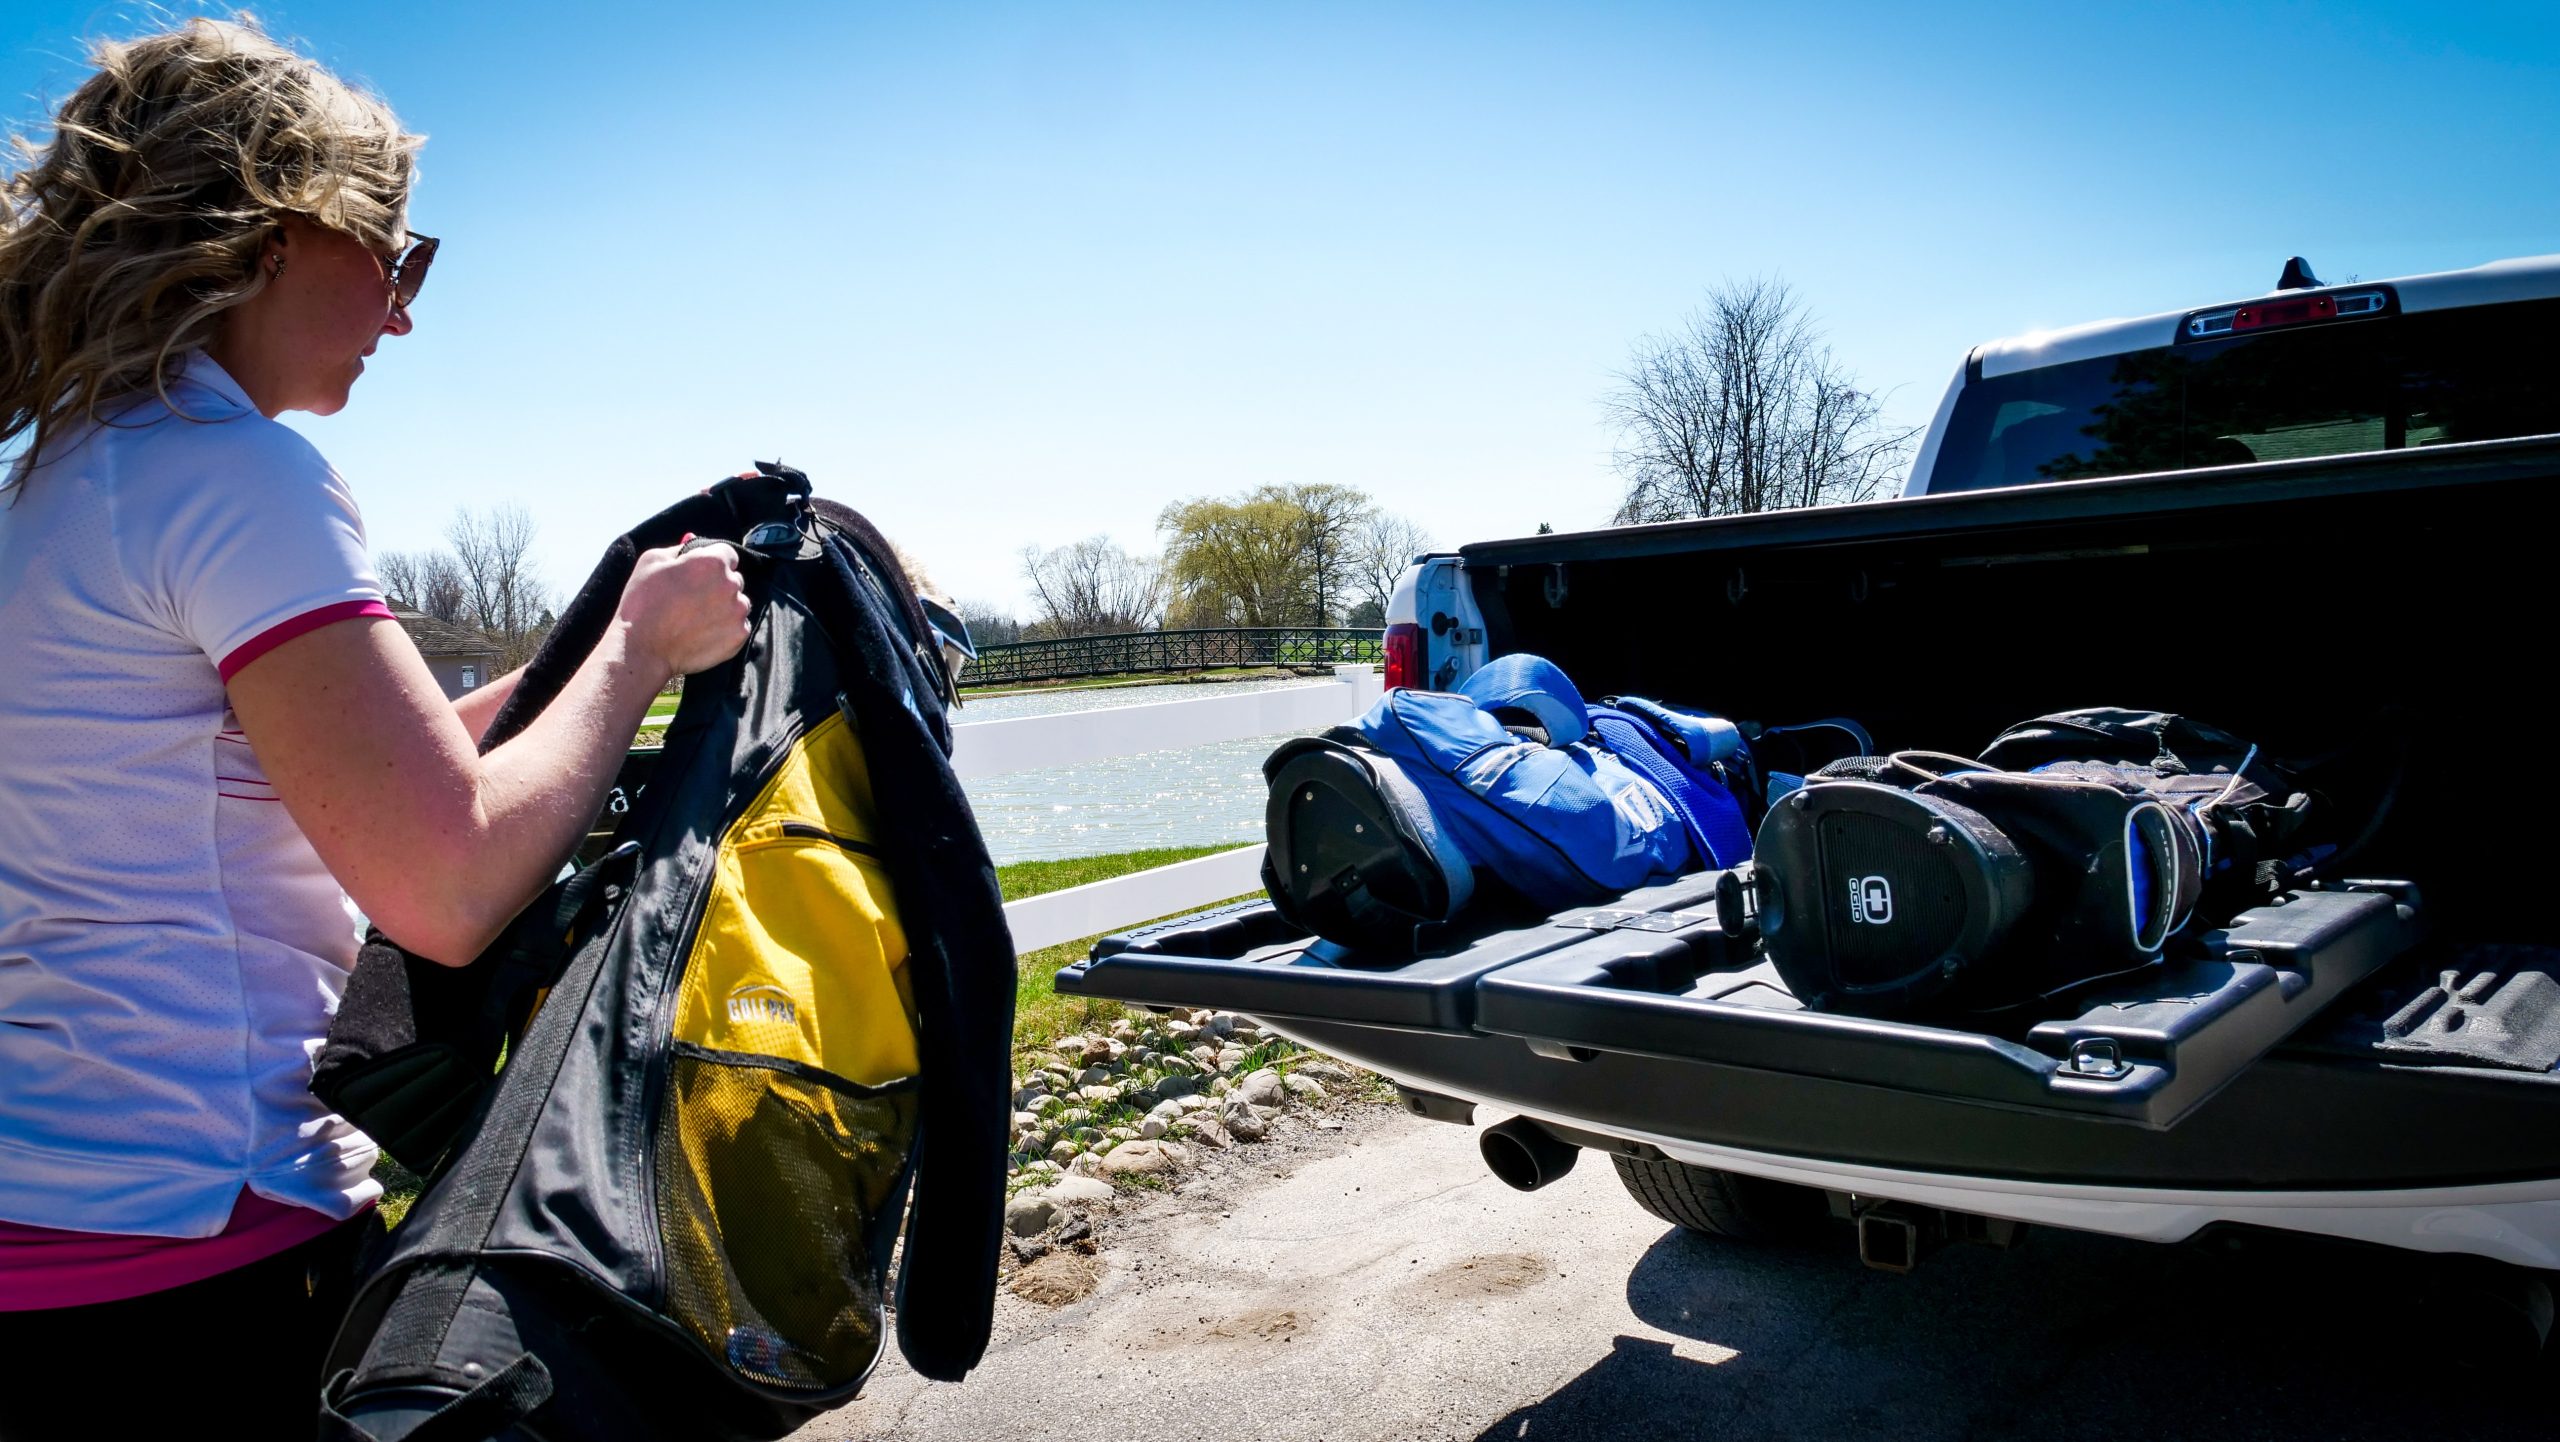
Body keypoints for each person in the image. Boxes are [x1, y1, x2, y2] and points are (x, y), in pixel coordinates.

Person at [0, 19, 750, 1435]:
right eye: (393, 254)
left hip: (53, 1237)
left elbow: (348, 772)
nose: (401, 311)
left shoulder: (62, 483)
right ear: (270, 232)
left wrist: (590, 649)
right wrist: (642, 649)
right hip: (203, 1247)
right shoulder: (233, 473)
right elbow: (445, 885)